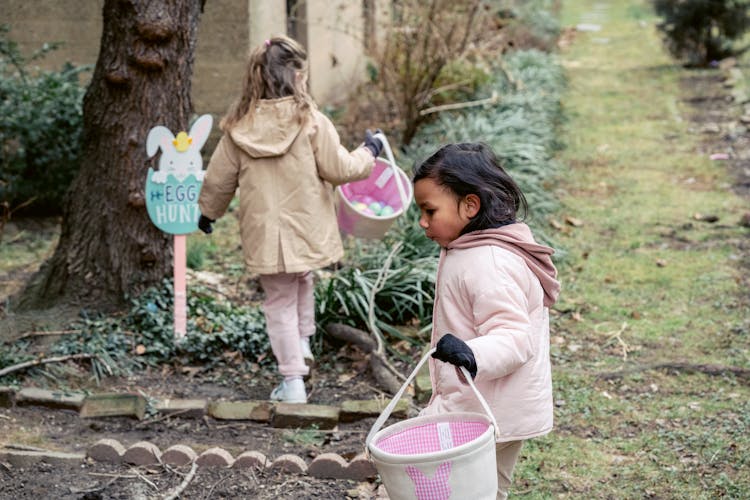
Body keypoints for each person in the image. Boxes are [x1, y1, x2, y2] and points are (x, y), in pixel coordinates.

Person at [197, 35, 382, 404]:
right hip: (307, 225)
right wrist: (369, 151)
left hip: (265, 232)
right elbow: (340, 168)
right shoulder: (312, 121)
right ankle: (296, 368)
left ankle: (296, 361)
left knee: (281, 295)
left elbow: (218, 179)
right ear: (299, 77)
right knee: (301, 279)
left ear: (255, 78)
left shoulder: (237, 127)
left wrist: (208, 213)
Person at [412, 142, 560, 499]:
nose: (422, 222)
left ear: (469, 205)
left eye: (430, 210)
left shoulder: (489, 262)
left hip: (493, 410)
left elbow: (513, 337)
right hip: (482, 402)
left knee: (479, 490)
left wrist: (471, 353)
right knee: (473, 489)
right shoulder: (470, 248)